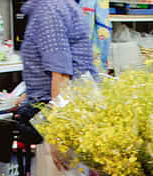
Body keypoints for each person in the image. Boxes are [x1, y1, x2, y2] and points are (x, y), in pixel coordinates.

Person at [13, 0, 96, 144]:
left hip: (61, 113)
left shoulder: (49, 9)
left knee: (62, 164)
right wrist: (28, 94)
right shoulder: (57, 6)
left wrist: (58, 136)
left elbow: (61, 73)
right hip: (72, 107)